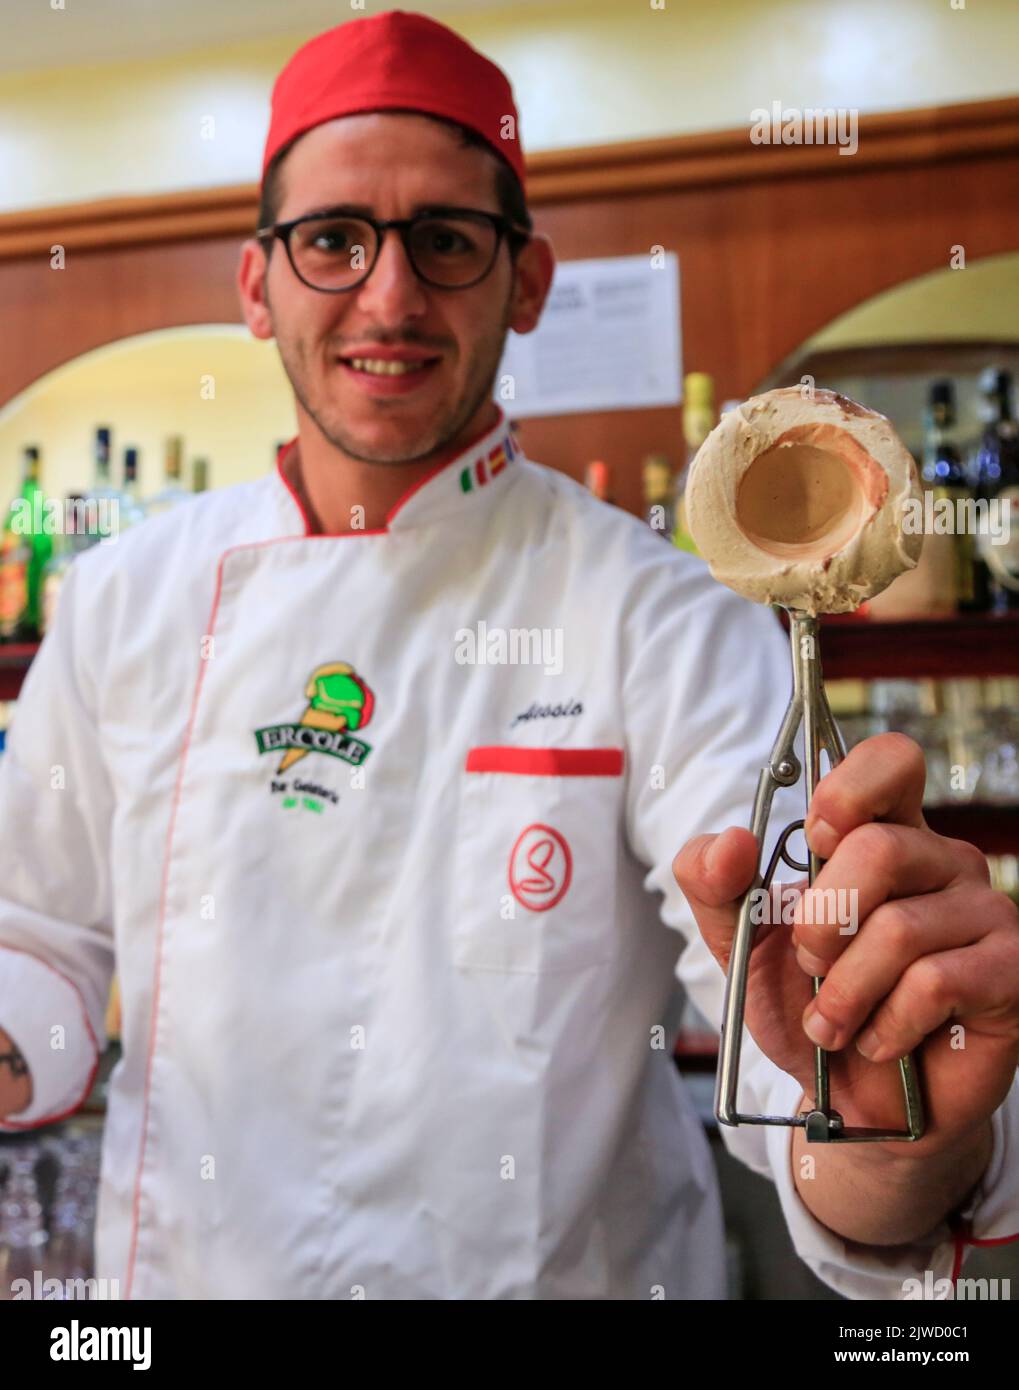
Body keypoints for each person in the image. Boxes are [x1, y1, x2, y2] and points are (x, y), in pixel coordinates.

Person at [1, 11, 1017, 1300]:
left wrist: (884, 1118)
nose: (389, 295)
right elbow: (34, 937)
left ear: (524, 279)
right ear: (256, 286)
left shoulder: (663, 615)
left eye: (444, 239)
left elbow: (798, 1033)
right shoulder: (117, 600)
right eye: (332, 240)